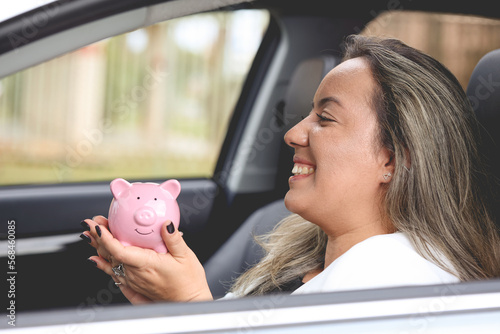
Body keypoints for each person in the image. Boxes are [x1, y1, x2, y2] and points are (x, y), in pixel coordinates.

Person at [80, 35, 500, 303]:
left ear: (393, 159)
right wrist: (166, 304)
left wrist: (191, 306)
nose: (293, 134)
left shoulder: (399, 286)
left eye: (325, 118)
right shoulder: (304, 251)